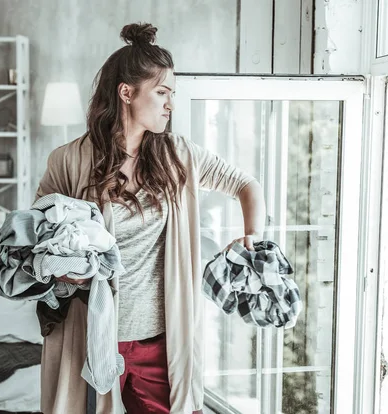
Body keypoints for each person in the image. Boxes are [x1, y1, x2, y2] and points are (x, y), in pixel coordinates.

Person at [35, 22, 266, 414]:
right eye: (162, 93)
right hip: (90, 336)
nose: (170, 104)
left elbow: (246, 184)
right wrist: (62, 270)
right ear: (127, 93)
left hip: (159, 342)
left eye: (171, 94)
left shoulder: (179, 156)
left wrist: (252, 236)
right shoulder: (69, 160)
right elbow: (36, 241)